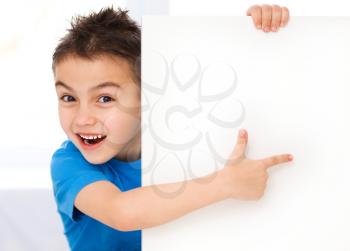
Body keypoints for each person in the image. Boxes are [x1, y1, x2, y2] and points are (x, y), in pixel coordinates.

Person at [50, 4, 292, 251]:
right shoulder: (68, 162)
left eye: (104, 98)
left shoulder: (181, 141)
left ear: (146, 95)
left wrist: (259, 28)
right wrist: (225, 183)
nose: (82, 119)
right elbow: (121, 211)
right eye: (69, 98)